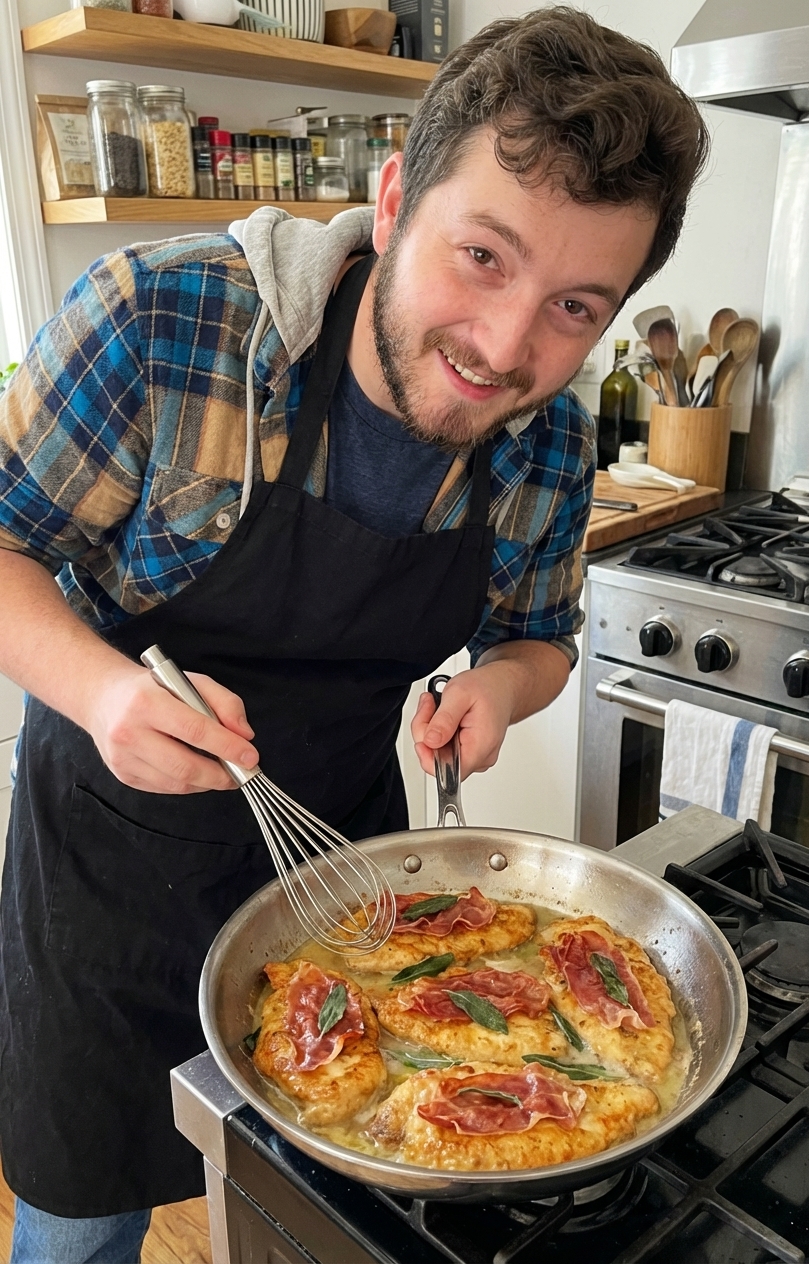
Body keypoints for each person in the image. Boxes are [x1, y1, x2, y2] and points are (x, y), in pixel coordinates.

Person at [0, 7, 707, 1260]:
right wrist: (107, 695)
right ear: (391, 202)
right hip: (113, 869)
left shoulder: (550, 442)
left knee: (331, 1217)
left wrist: (500, 685)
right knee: (83, 1221)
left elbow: (539, 635)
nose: (506, 349)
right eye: (482, 257)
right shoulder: (166, 328)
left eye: (576, 307)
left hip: (344, 872)